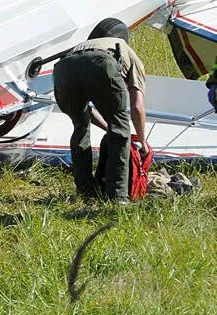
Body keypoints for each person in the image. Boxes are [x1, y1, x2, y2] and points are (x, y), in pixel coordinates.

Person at [53, 18, 149, 203]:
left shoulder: (83, 45)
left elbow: (85, 110)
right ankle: (118, 197)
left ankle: (86, 192)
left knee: (80, 127)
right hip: (102, 63)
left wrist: (108, 126)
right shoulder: (125, 49)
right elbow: (137, 106)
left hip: (63, 68)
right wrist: (142, 140)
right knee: (121, 133)